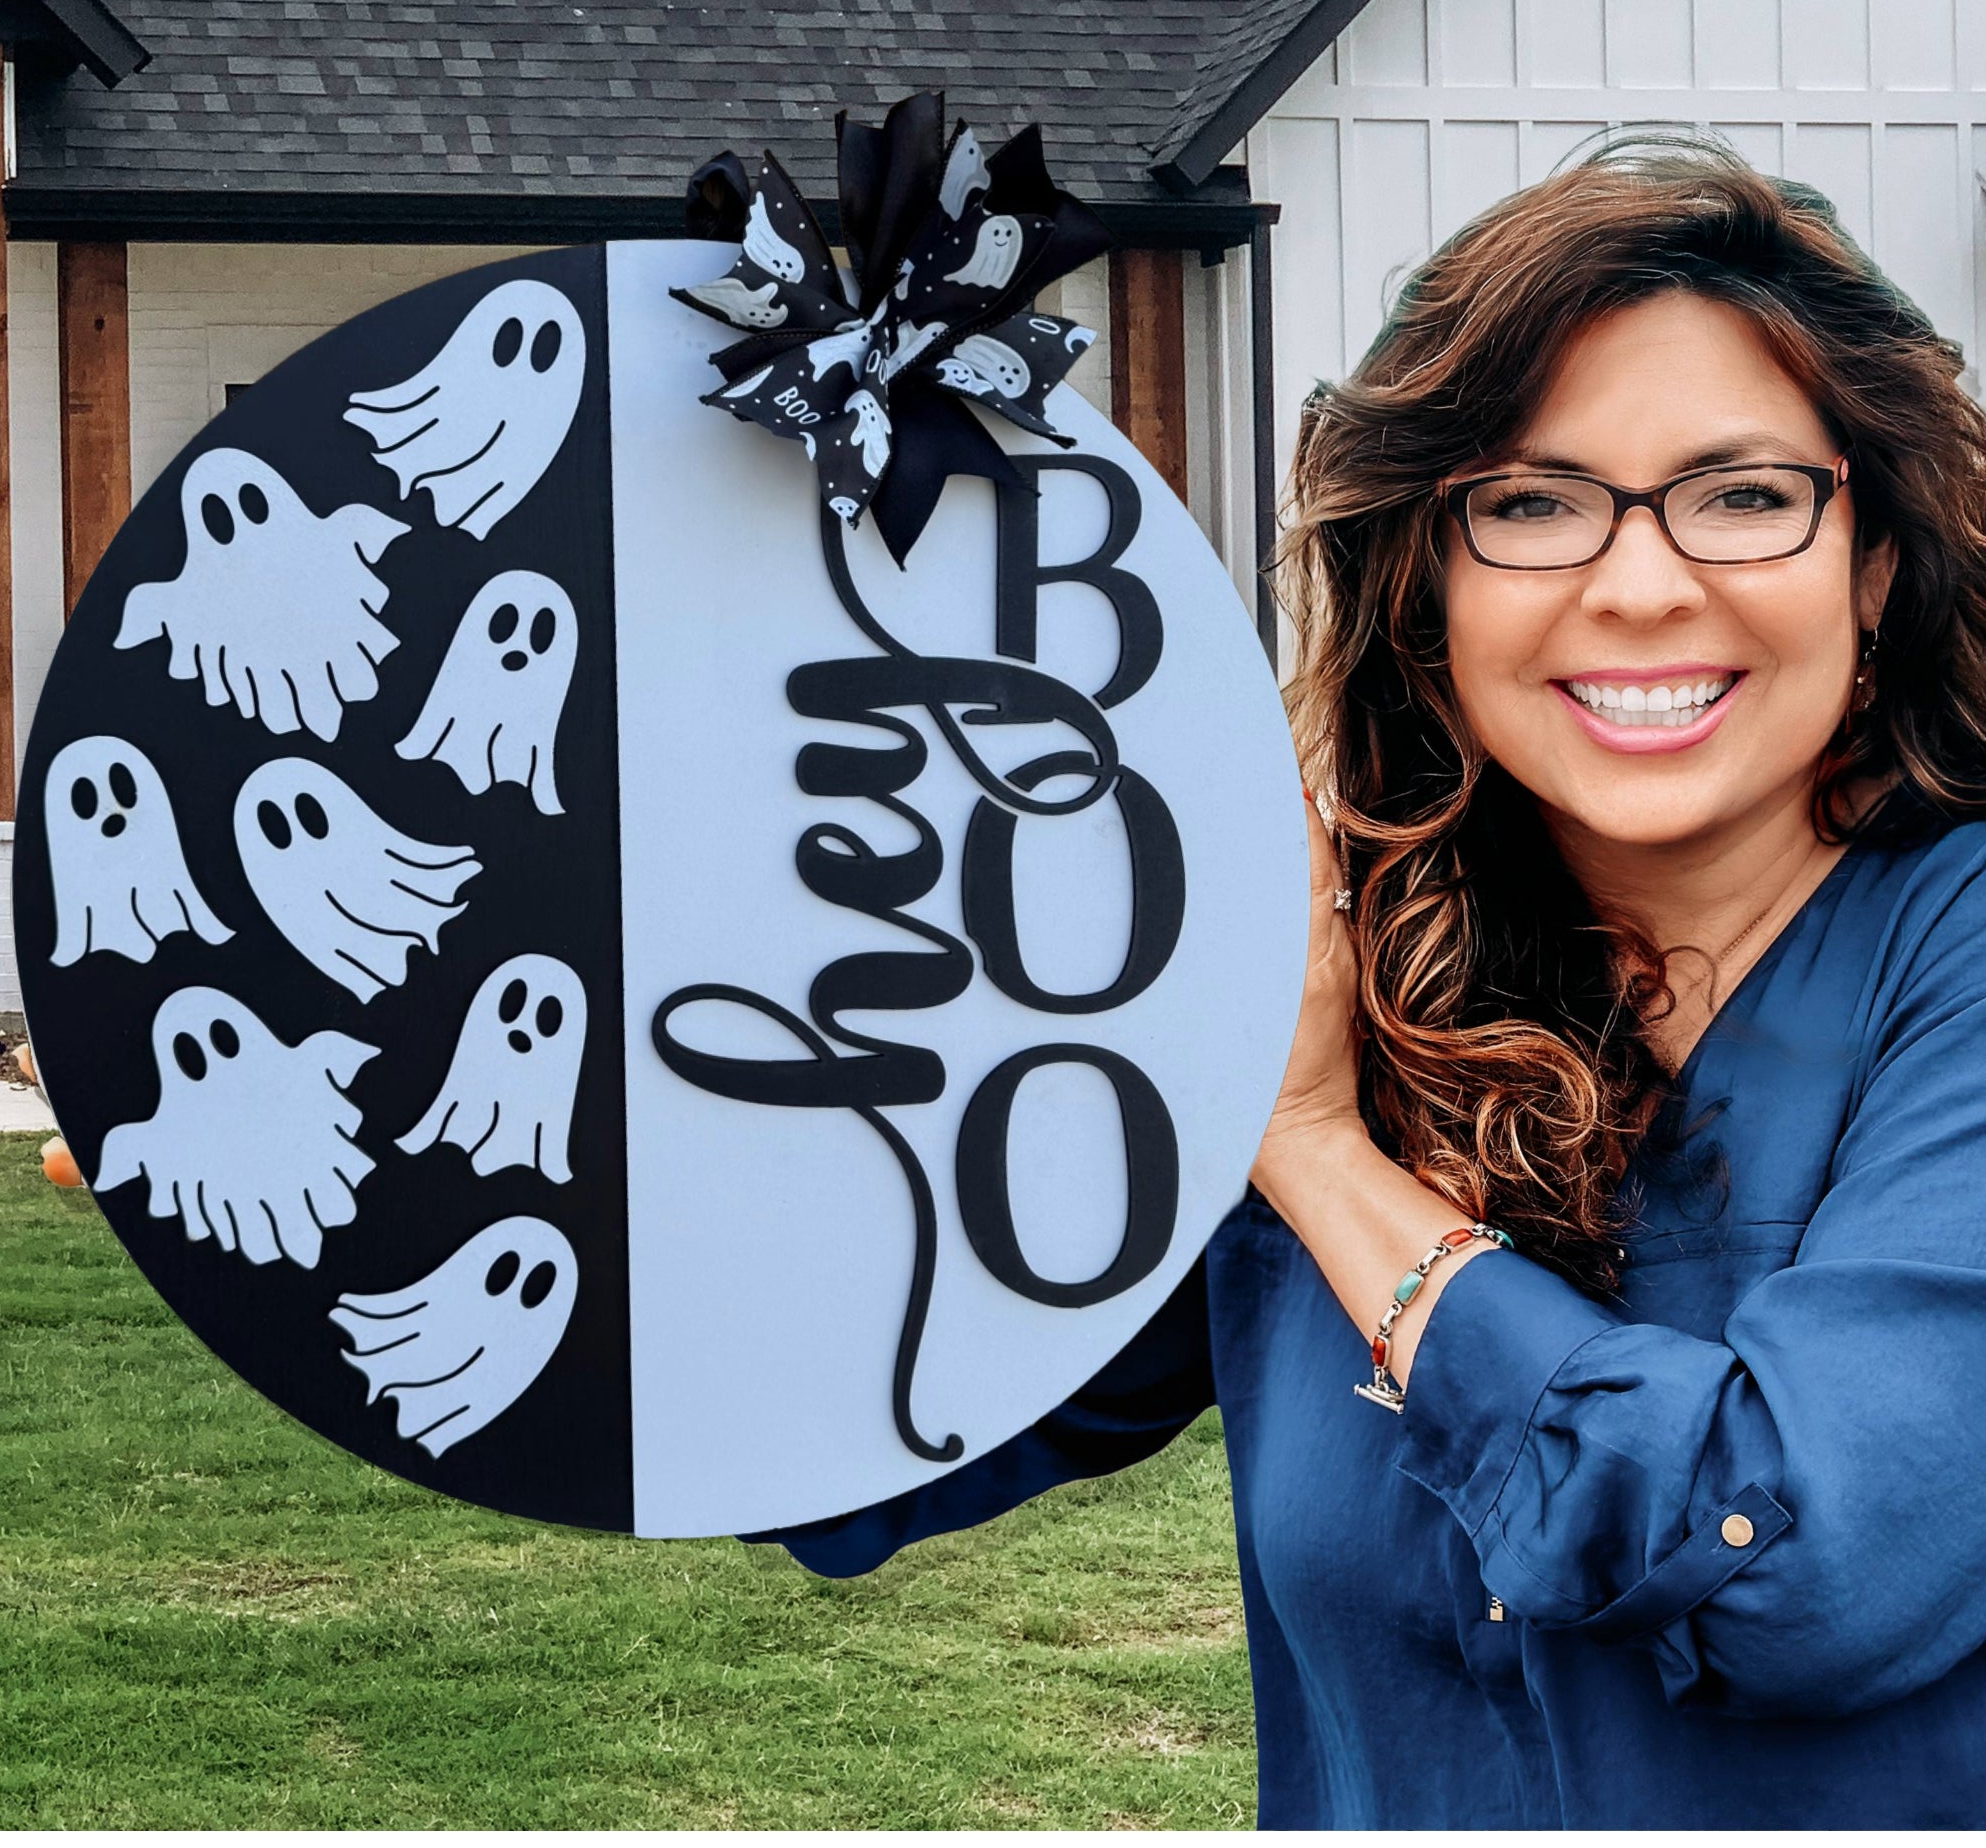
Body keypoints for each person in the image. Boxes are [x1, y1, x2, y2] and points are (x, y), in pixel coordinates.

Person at [760, 134, 1986, 1827]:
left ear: (1876, 562)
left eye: (1745, 494)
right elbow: (865, 1425)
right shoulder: (1341, 964)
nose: (1639, 585)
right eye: (1533, 503)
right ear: (1428, 580)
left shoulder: (1953, 963)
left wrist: (1321, 1155)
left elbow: (1799, 1570)